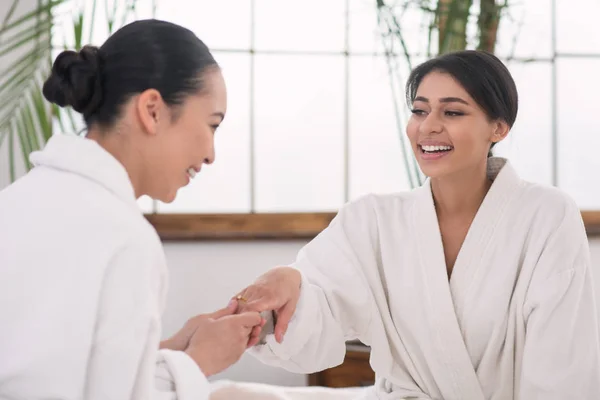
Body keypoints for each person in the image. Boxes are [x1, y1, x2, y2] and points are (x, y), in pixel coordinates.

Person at [235, 50, 600, 399]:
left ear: (499, 128)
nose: (428, 127)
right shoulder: (372, 220)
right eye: (419, 110)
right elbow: (321, 306)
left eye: (453, 113)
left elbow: (560, 366)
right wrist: (288, 285)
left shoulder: (546, 216)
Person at [0, 19, 264, 400]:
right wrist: (201, 362)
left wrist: (174, 347)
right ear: (152, 109)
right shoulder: (126, 239)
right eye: (211, 125)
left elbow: (64, 367)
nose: (210, 154)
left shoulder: (19, 200)